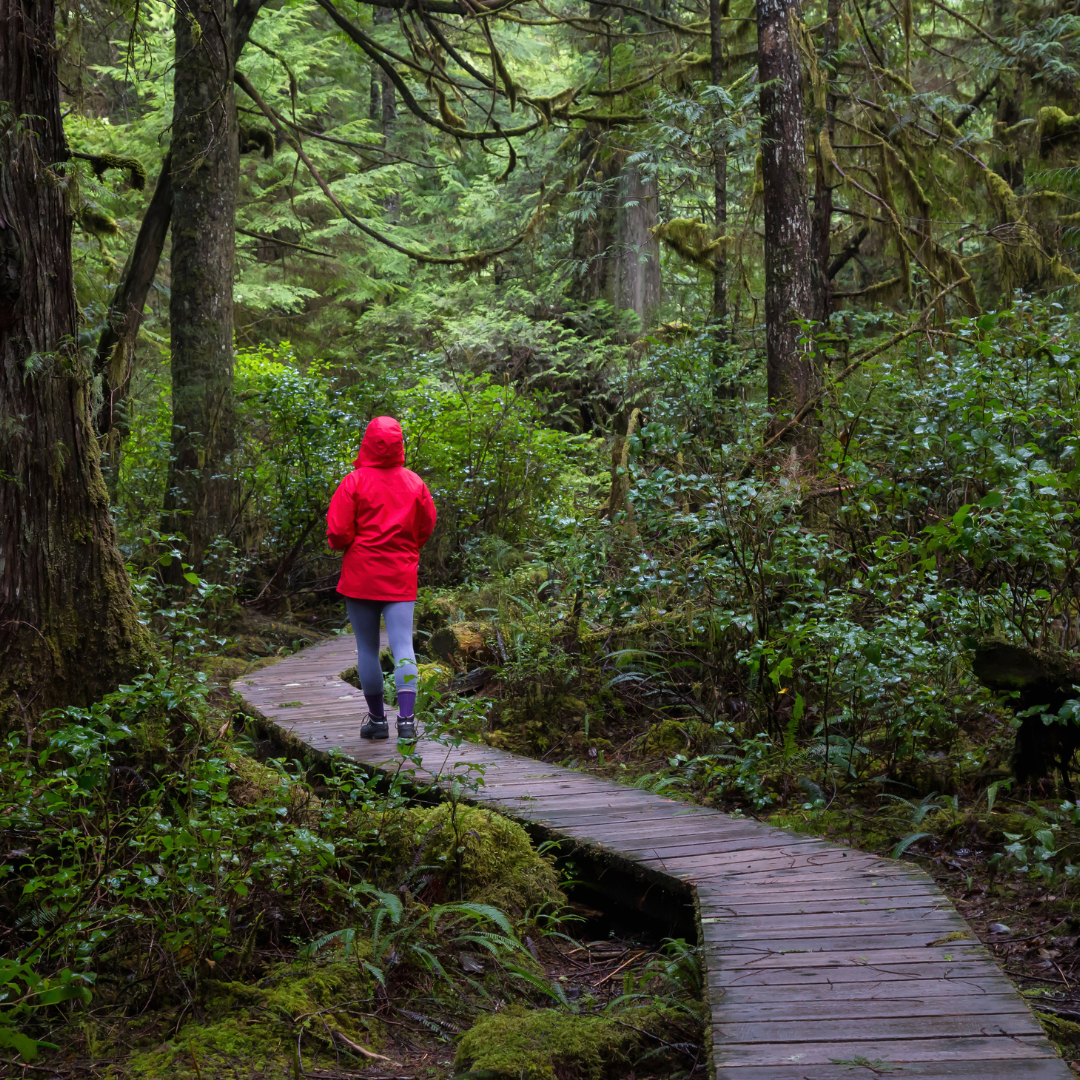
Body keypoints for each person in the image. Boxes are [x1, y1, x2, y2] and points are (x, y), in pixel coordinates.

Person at [326, 416, 436, 741]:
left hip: (361, 577)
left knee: (367, 650)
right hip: (400, 576)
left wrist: (347, 545)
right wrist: (406, 548)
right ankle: (406, 722)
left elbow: (338, 532)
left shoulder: (354, 482)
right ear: (400, 443)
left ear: (368, 442)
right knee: (404, 647)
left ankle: (377, 722)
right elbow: (426, 525)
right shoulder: (415, 483)